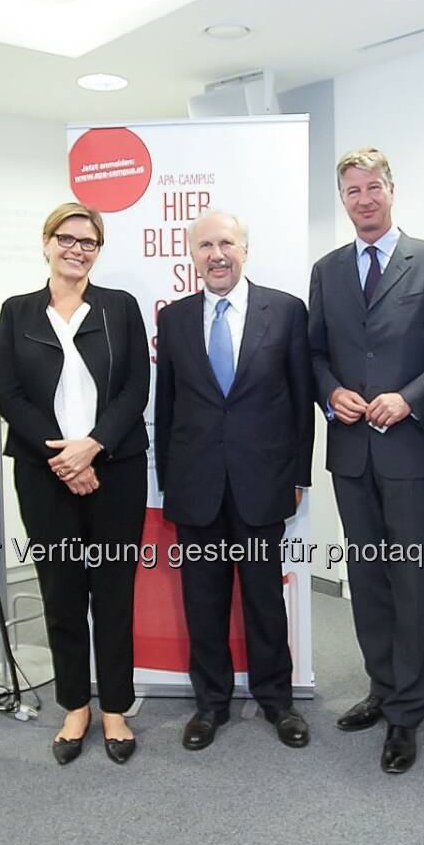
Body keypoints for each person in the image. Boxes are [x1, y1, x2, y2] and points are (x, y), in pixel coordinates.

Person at [309, 147, 424, 773]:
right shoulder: (327, 269)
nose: (364, 199)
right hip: (351, 451)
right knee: (366, 578)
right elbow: (314, 351)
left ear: (392, 191)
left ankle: (409, 712)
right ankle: (382, 686)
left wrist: (411, 398)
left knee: (413, 581)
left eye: (374, 187)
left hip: (413, 450)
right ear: (342, 200)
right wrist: (330, 392)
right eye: (352, 191)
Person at [0, 202, 150, 765]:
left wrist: (93, 446)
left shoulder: (119, 308)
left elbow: (136, 389)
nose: (77, 249)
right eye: (67, 238)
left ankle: (115, 708)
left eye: (89, 241)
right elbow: (10, 395)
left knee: (113, 592)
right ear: (46, 241)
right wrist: (64, 457)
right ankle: (74, 706)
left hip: (116, 466)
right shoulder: (17, 312)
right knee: (60, 594)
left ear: (98, 250)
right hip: (44, 472)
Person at [154, 210, 315, 751]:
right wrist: (169, 482)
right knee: (204, 601)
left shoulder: (287, 311)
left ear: (244, 250)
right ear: (193, 255)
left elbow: (300, 403)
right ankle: (211, 704)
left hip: (262, 482)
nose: (216, 254)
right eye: (204, 246)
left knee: (265, 601)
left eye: (226, 243)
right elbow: (169, 404)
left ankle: (277, 701)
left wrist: (297, 476)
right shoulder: (174, 319)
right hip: (197, 485)